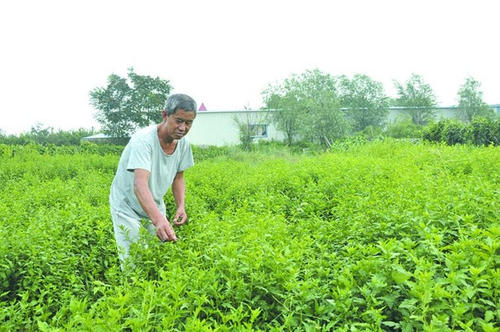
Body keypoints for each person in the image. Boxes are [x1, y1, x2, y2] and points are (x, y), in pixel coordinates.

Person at [109, 93, 197, 265]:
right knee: (134, 261)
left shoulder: (183, 144)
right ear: (165, 115)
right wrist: (159, 220)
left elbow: (178, 177)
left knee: (157, 257)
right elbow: (139, 185)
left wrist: (181, 206)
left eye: (188, 123)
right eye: (178, 120)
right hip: (127, 205)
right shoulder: (144, 140)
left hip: (153, 203)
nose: (183, 128)